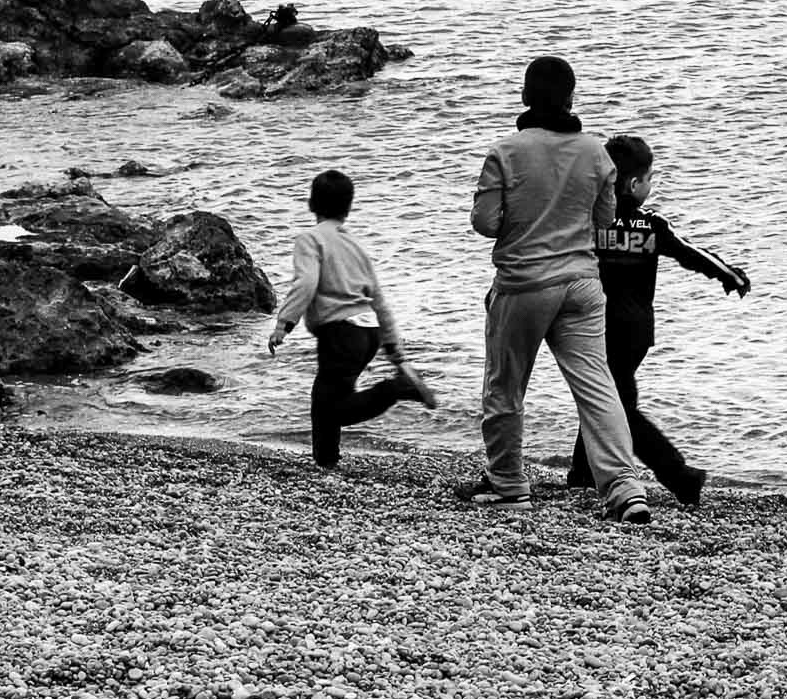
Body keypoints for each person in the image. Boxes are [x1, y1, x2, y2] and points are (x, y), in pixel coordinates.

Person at [468, 56, 651, 523]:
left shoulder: (505, 152)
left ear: (526, 97)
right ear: (571, 98)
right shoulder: (596, 153)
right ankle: (624, 488)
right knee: (596, 386)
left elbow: (485, 224)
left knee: (505, 386)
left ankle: (509, 484)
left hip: (524, 285)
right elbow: (605, 220)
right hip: (583, 286)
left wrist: (524, 218)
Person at [562, 134, 750, 506]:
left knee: (610, 400)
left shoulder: (588, 222)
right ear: (635, 185)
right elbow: (691, 254)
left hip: (595, 325)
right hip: (634, 331)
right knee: (611, 400)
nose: (651, 185)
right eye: (649, 179)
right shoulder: (651, 226)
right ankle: (663, 476)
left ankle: (650, 476)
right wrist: (730, 274)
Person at [267, 169, 438, 470]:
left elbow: (306, 282)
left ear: (311, 204)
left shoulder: (310, 240)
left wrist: (284, 323)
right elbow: (379, 299)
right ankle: (325, 463)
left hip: (341, 332)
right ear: (348, 208)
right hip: (367, 332)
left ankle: (396, 389)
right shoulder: (355, 246)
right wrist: (393, 347)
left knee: (332, 407)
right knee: (326, 399)